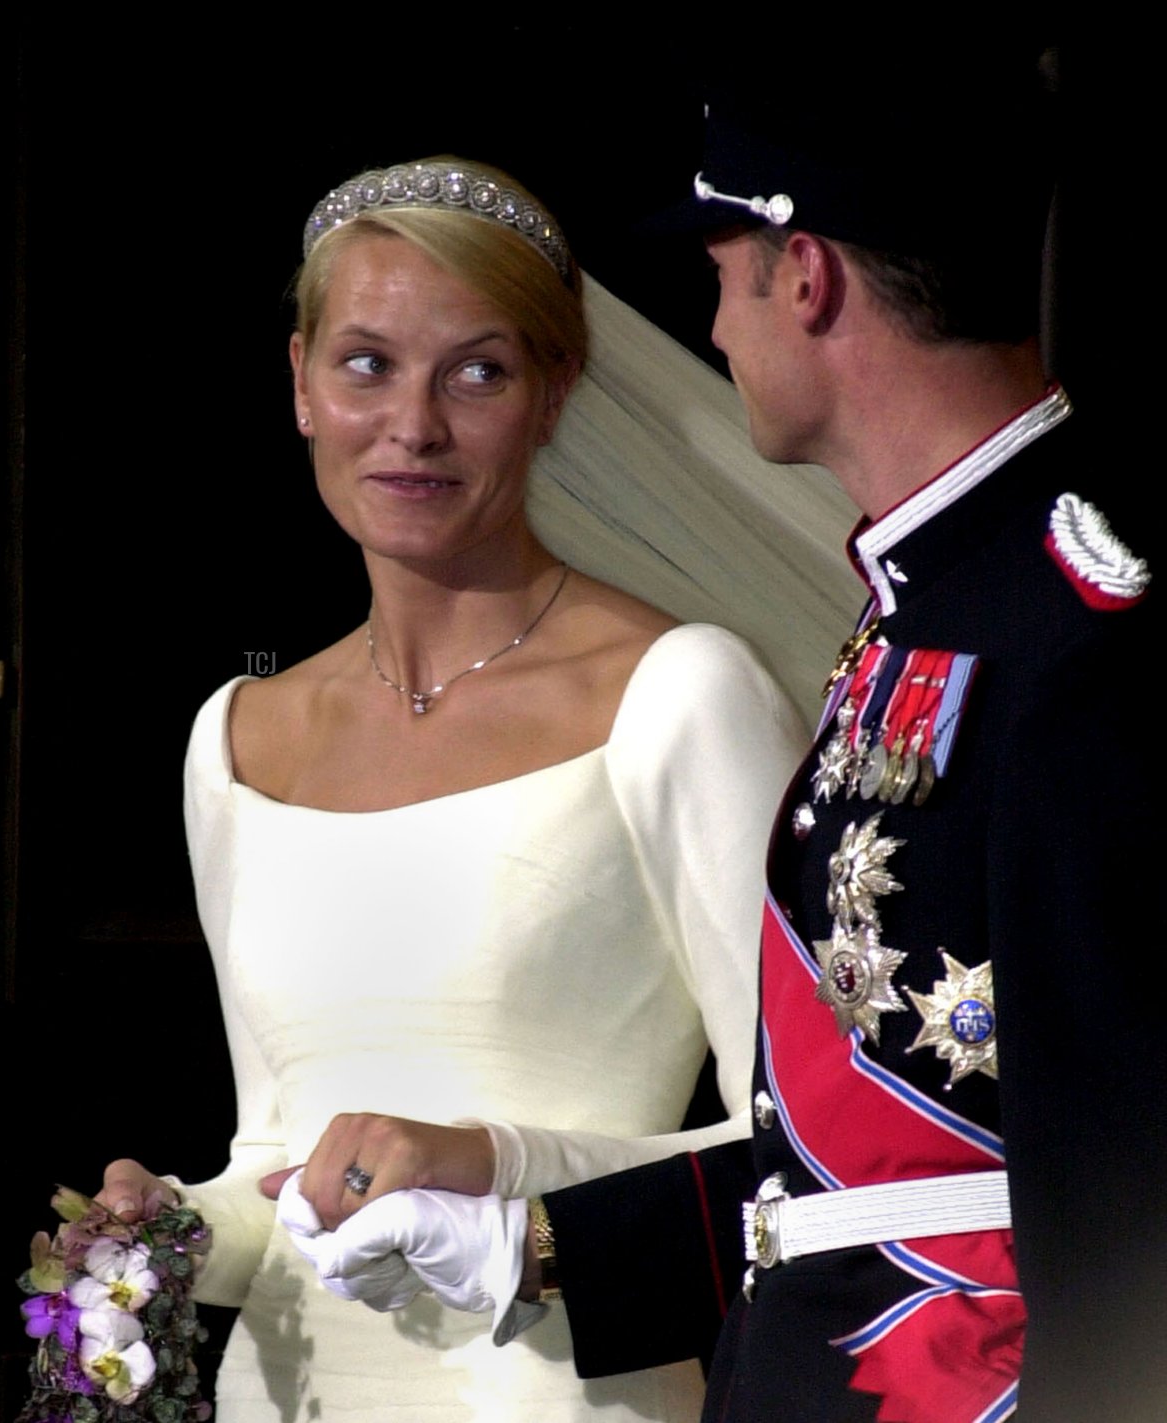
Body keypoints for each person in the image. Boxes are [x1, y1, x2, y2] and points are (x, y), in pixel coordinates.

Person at [288, 60, 1166, 1423]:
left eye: (720, 271)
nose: (711, 320)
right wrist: (530, 1241)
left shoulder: (1076, 640)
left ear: (803, 277)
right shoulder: (934, 608)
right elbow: (842, 1162)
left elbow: (1128, 1204)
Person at [94, 157, 815, 1422]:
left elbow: (813, 1155)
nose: (414, 426)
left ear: (554, 396)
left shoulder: (680, 695)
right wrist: (168, 1229)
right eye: (366, 364)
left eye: (476, 370)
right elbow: (278, 1165)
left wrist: (494, 1166)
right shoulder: (236, 737)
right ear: (302, 383)